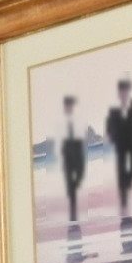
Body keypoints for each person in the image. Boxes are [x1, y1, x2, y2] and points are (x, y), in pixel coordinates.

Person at [106, 79, 132, 248]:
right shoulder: (114, 112)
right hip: (121, 149)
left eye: (126, 91)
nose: (124, 94)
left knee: (130, 177)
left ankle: (127, 210)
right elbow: (110, 132)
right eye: (122, 91)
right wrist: (116, 138)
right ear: (119, 93)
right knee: (123, 181)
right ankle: (125, 211)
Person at [52, 92, 88, 241]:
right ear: (65, 107)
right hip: (67, 155)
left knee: (76, 184)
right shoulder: (61, 123)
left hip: (77, 154)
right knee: (71, 188)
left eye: (71, 105)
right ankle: (73, 218)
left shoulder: (77, 121)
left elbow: (81, 140)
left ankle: (74, 217)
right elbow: (59, 143)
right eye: (68, 105)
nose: (69, 107)